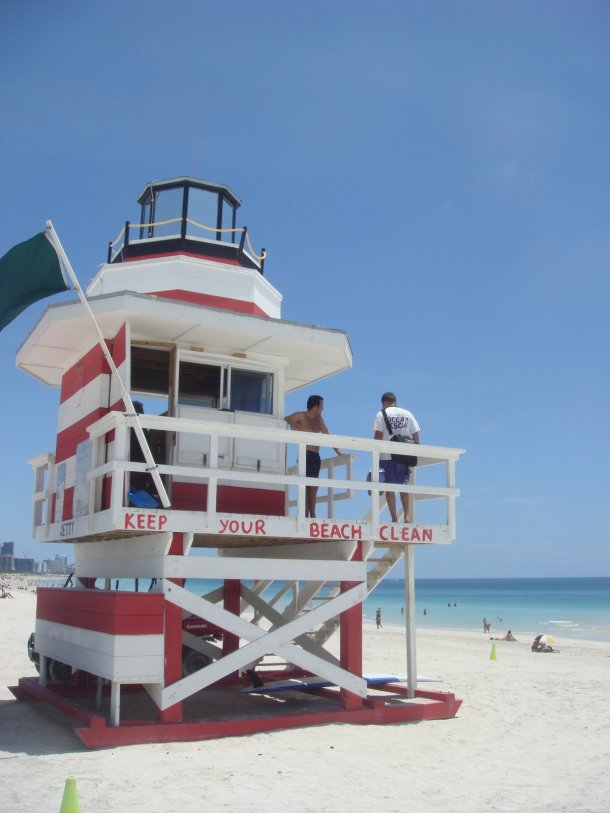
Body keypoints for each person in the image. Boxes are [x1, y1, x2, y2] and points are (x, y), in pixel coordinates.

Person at [285, 395, 342, 518]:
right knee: (306, 486)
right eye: (321, 406)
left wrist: (338, 450)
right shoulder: (301, 416)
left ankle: (312, 513)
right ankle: (306, 515)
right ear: (316, 406)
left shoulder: (319, 419)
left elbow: (327, 433)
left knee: (314, 487)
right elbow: (287, 419)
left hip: (316, 455)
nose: (323, 408)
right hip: (305, 454)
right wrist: (297, 428)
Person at [373, 392, 420, 522]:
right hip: (404, 457)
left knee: (390, 489)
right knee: (403, 487)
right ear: (395, 401)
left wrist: (375, 456)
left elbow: (377, 436)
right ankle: (407, 515)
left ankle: (394, 518)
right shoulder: (407, 414)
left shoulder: (381, 414)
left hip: (387, 456)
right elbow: (416, 437)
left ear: (384, 402)